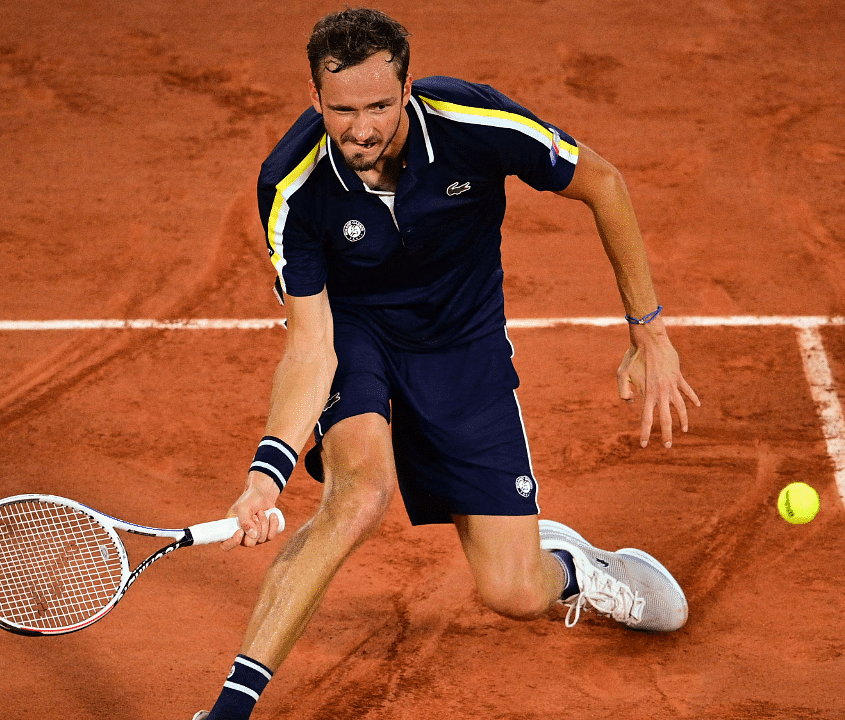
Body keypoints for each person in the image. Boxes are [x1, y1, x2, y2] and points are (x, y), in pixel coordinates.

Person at [193, 8, 700, 720]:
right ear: (315, 98)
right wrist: (265, 476)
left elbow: (604, 184)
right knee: (358, 495)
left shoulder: (474, 121)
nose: (360, 128)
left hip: (464, 344)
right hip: (358, 336)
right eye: (341, 110)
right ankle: (228, 711)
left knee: (515, 593)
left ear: (407, 89)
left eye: (378, 105)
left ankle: (576, 567)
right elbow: (311, 345)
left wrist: (649, 331)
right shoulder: (292, 185)